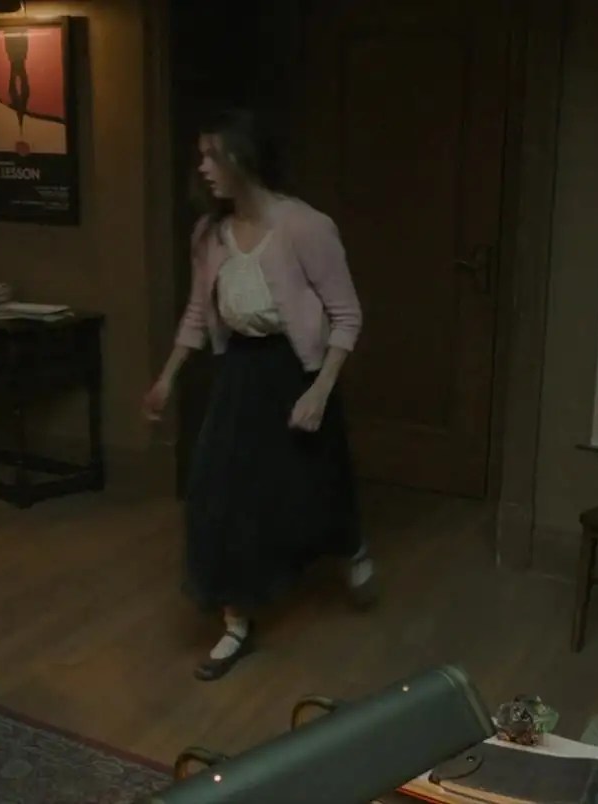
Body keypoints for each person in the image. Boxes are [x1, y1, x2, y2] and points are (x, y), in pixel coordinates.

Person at [144, 108, 376, 681]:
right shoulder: (209, 235)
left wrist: (320, 390)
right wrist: (168, 377)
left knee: (311, 486)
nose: (203, 168)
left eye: (213, 155)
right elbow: (197, 312)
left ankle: (350, 546)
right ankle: (236, 623)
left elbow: (347, 315)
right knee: (218, 492)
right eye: (200, 156)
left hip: (299, 370)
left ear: (243, 156)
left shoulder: (305, 227)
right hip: (241, 373)